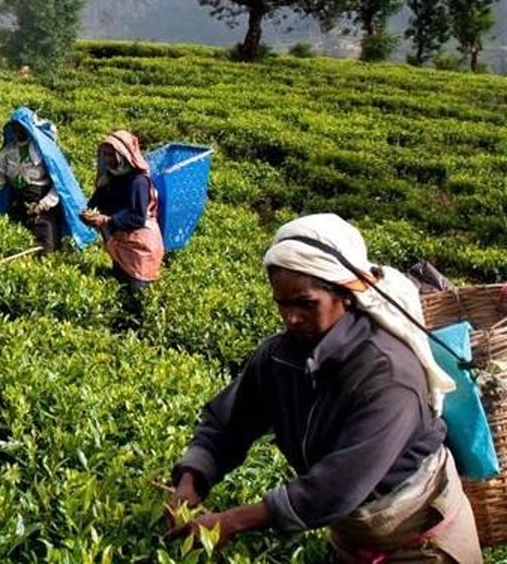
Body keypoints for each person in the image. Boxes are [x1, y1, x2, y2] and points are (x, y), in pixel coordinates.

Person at [166, 214, 479, 563]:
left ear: (345, 295)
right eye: (282, 304)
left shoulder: (388, 374)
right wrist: (191, 480)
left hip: (421, 541)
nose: (291, 317)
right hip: (352, 532)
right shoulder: (278, 357)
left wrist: (230, 522)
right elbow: (227, 424)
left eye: (305, 303)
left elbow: (337, 485)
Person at [81, 130, 164, 320]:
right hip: (121, 241)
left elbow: (137, 217)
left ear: (123, 154)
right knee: (120, 286)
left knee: (136, 290)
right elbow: (96, 202)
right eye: (105, 154)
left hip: (140, 246)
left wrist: (106, 220)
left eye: (111, 155)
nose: (108, 159)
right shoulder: (111, 178)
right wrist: (87, 212)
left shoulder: (138, 181)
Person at [0, 119, 63, 253]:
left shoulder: (43, 152)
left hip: (40, 202)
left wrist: (44, 204)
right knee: (17, 245)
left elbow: (58, 184)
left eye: (21, 128)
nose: (17, 132)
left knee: (44, 248)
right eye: (15, 128)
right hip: (17, 202)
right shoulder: (9, 151)